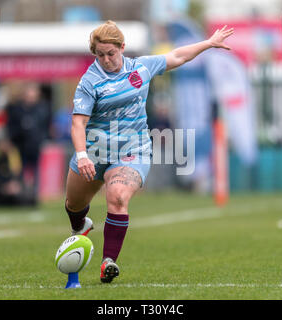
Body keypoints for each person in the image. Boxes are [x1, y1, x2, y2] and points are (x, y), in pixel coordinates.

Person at [65, 20, 234, 283]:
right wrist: (83, 154)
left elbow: (176, 56)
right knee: (74, 205)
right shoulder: (90, 82)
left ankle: (108, 261)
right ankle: (80, 226)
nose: (107, 60)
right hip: (94, 152)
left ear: (122, 47)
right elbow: (78, 123)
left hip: (133, 150)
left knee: (118, 196)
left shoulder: (140, 67)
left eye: (111, 53)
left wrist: (209, 43)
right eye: (100, 55)